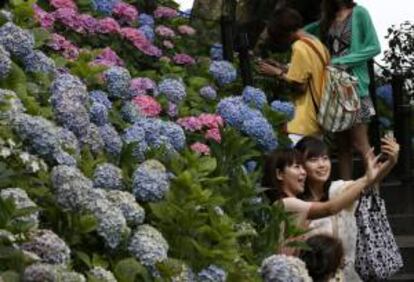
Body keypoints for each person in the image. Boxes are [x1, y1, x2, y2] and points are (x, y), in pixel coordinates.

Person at [295, 135, 399, 281]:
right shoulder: (296, 204)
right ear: (300, 166)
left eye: (325, 158)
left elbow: (367, 182)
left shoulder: (338, 189)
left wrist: (391, 162)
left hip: (347, 276)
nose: (322, 164)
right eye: (313, 160)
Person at [305, 0, 381, 180]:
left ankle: (376, 201)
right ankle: (345, 200)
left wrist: (340, 61)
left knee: (361, 144)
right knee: (342, 148)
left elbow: (374, 47)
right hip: (335, 91)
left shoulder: (359, 13)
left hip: (356, 89)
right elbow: (305, 33)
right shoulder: (327, 19)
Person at [257, 7, 328, 145]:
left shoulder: (299, 47)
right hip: (317, 117)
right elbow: (310, 73)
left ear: (286, 33)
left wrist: (277, 73)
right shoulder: (317, 43)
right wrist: (281, 67)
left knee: (296, 164)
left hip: (301, 121)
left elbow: (301, 86)